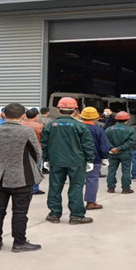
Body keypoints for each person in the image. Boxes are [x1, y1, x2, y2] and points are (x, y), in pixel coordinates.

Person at [0, 103, 43, 252]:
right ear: (23, 115)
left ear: (3, 114)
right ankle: (19, 242)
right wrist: (31, 164)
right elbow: (37, 152)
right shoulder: (26, 132)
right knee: (20, 212)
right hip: (22, 175)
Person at [41, 96, 95, 225]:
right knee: (76, 187)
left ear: (58, 110)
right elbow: (87, 145)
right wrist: (90, 160)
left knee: (55, 187)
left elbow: (44, 144)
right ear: (75, 111)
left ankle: (54, 214)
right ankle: (76, 215)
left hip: (56, 161)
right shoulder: (80, 126)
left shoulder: (50, 125)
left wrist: (46, 159)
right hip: (76, 161)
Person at [80, 107, 109, 210]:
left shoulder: (76, 128)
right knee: (92, 179)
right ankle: (90, 202)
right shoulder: (98, 130)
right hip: (94, 158)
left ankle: (76, 203)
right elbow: (103, 145)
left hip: (76, 158)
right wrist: (105, 157)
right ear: (96, 118)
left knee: (76, 182)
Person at [105, 111, 136, 194]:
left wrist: (113, 148)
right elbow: (130, 142)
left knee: (111, 170)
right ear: (127, 120)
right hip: (125, 153)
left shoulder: (109, 129)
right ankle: (126, 189)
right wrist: (119, 148)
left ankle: (110, 188)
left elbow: (106, 140)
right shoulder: (130, 130)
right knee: (126, 171)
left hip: (112, 153)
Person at [21, 108, 46, 195]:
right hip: (36, 149)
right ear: (36, 116)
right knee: (36, 169)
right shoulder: (40, 126)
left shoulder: (20, 124)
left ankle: (23, 186)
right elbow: (44, 138)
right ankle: (34, 188)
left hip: (22, 149)